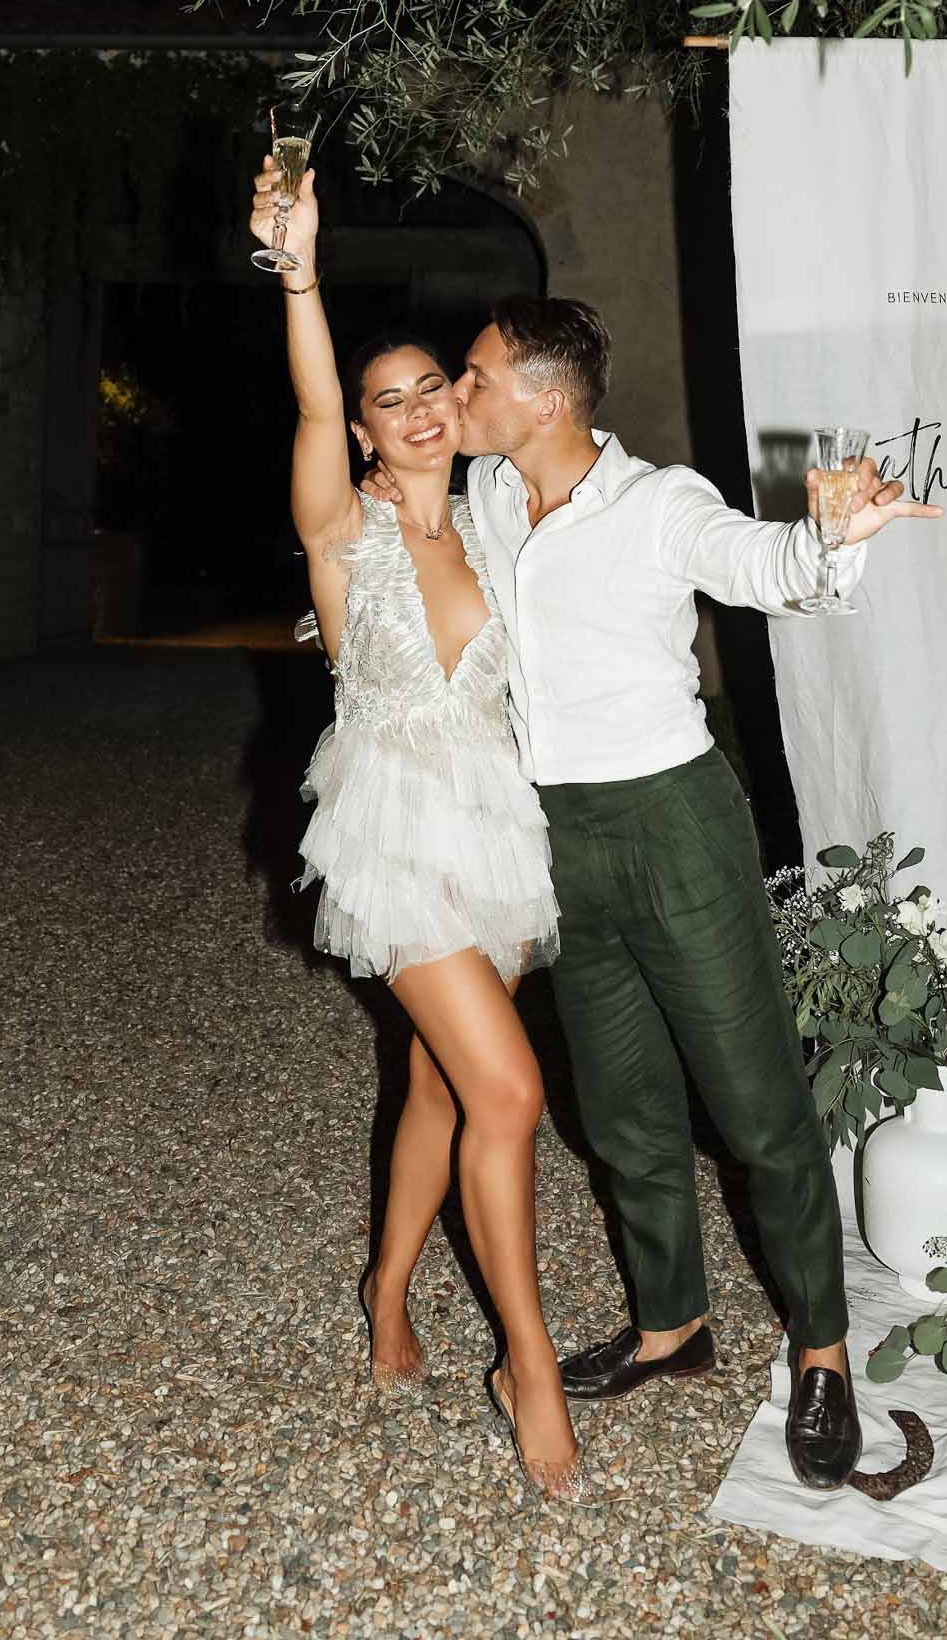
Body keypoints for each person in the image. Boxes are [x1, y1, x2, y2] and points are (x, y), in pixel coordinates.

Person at [372, 294, 943, 1490]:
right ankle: (671, 1324)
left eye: (473, 378)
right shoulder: (481, 497)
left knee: (754, 1104)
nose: (456, 398)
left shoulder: (657, 504)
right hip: (554, 834)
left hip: (673, 821)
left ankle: (826, 1353)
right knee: (622, 1108)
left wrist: (838, 534)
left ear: (541, 397)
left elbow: (769, 564)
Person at [248, 161, 581, 1501]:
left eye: (431, 388)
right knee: (508, 1090)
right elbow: (312, 394)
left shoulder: (499, 527)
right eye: (389, 403)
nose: (415, 409)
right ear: (373, 435)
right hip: (391, 830)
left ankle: (386, 1291)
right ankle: (531, 1364)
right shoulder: (342, 531)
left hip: (493, 832)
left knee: (445, 1086)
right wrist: (302, 272)